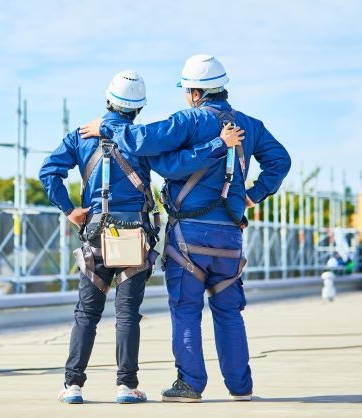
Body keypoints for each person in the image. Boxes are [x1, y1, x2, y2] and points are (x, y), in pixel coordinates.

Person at [80, 54, 291, 402]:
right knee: (228, 312)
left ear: (195, 92)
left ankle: (190, 384)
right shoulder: (250, 125)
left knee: (186, 310)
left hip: (189, 236)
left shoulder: (188, 121)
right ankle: (240, 387)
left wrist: (110, 127)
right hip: (229, 236)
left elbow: (140, 141)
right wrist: (253, 195)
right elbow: (280, 161)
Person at [39, 70, 244, 405]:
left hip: (94, 235)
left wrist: (70, 210)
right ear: (138, 108)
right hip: (134, 235)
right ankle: (126, 386)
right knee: (127, 313)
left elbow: (48, 172)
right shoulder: (140, 140)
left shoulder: (79, 137)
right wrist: (218, 143)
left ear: (108, 99)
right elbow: (178, 164)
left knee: (86, 313)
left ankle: (73, 385)